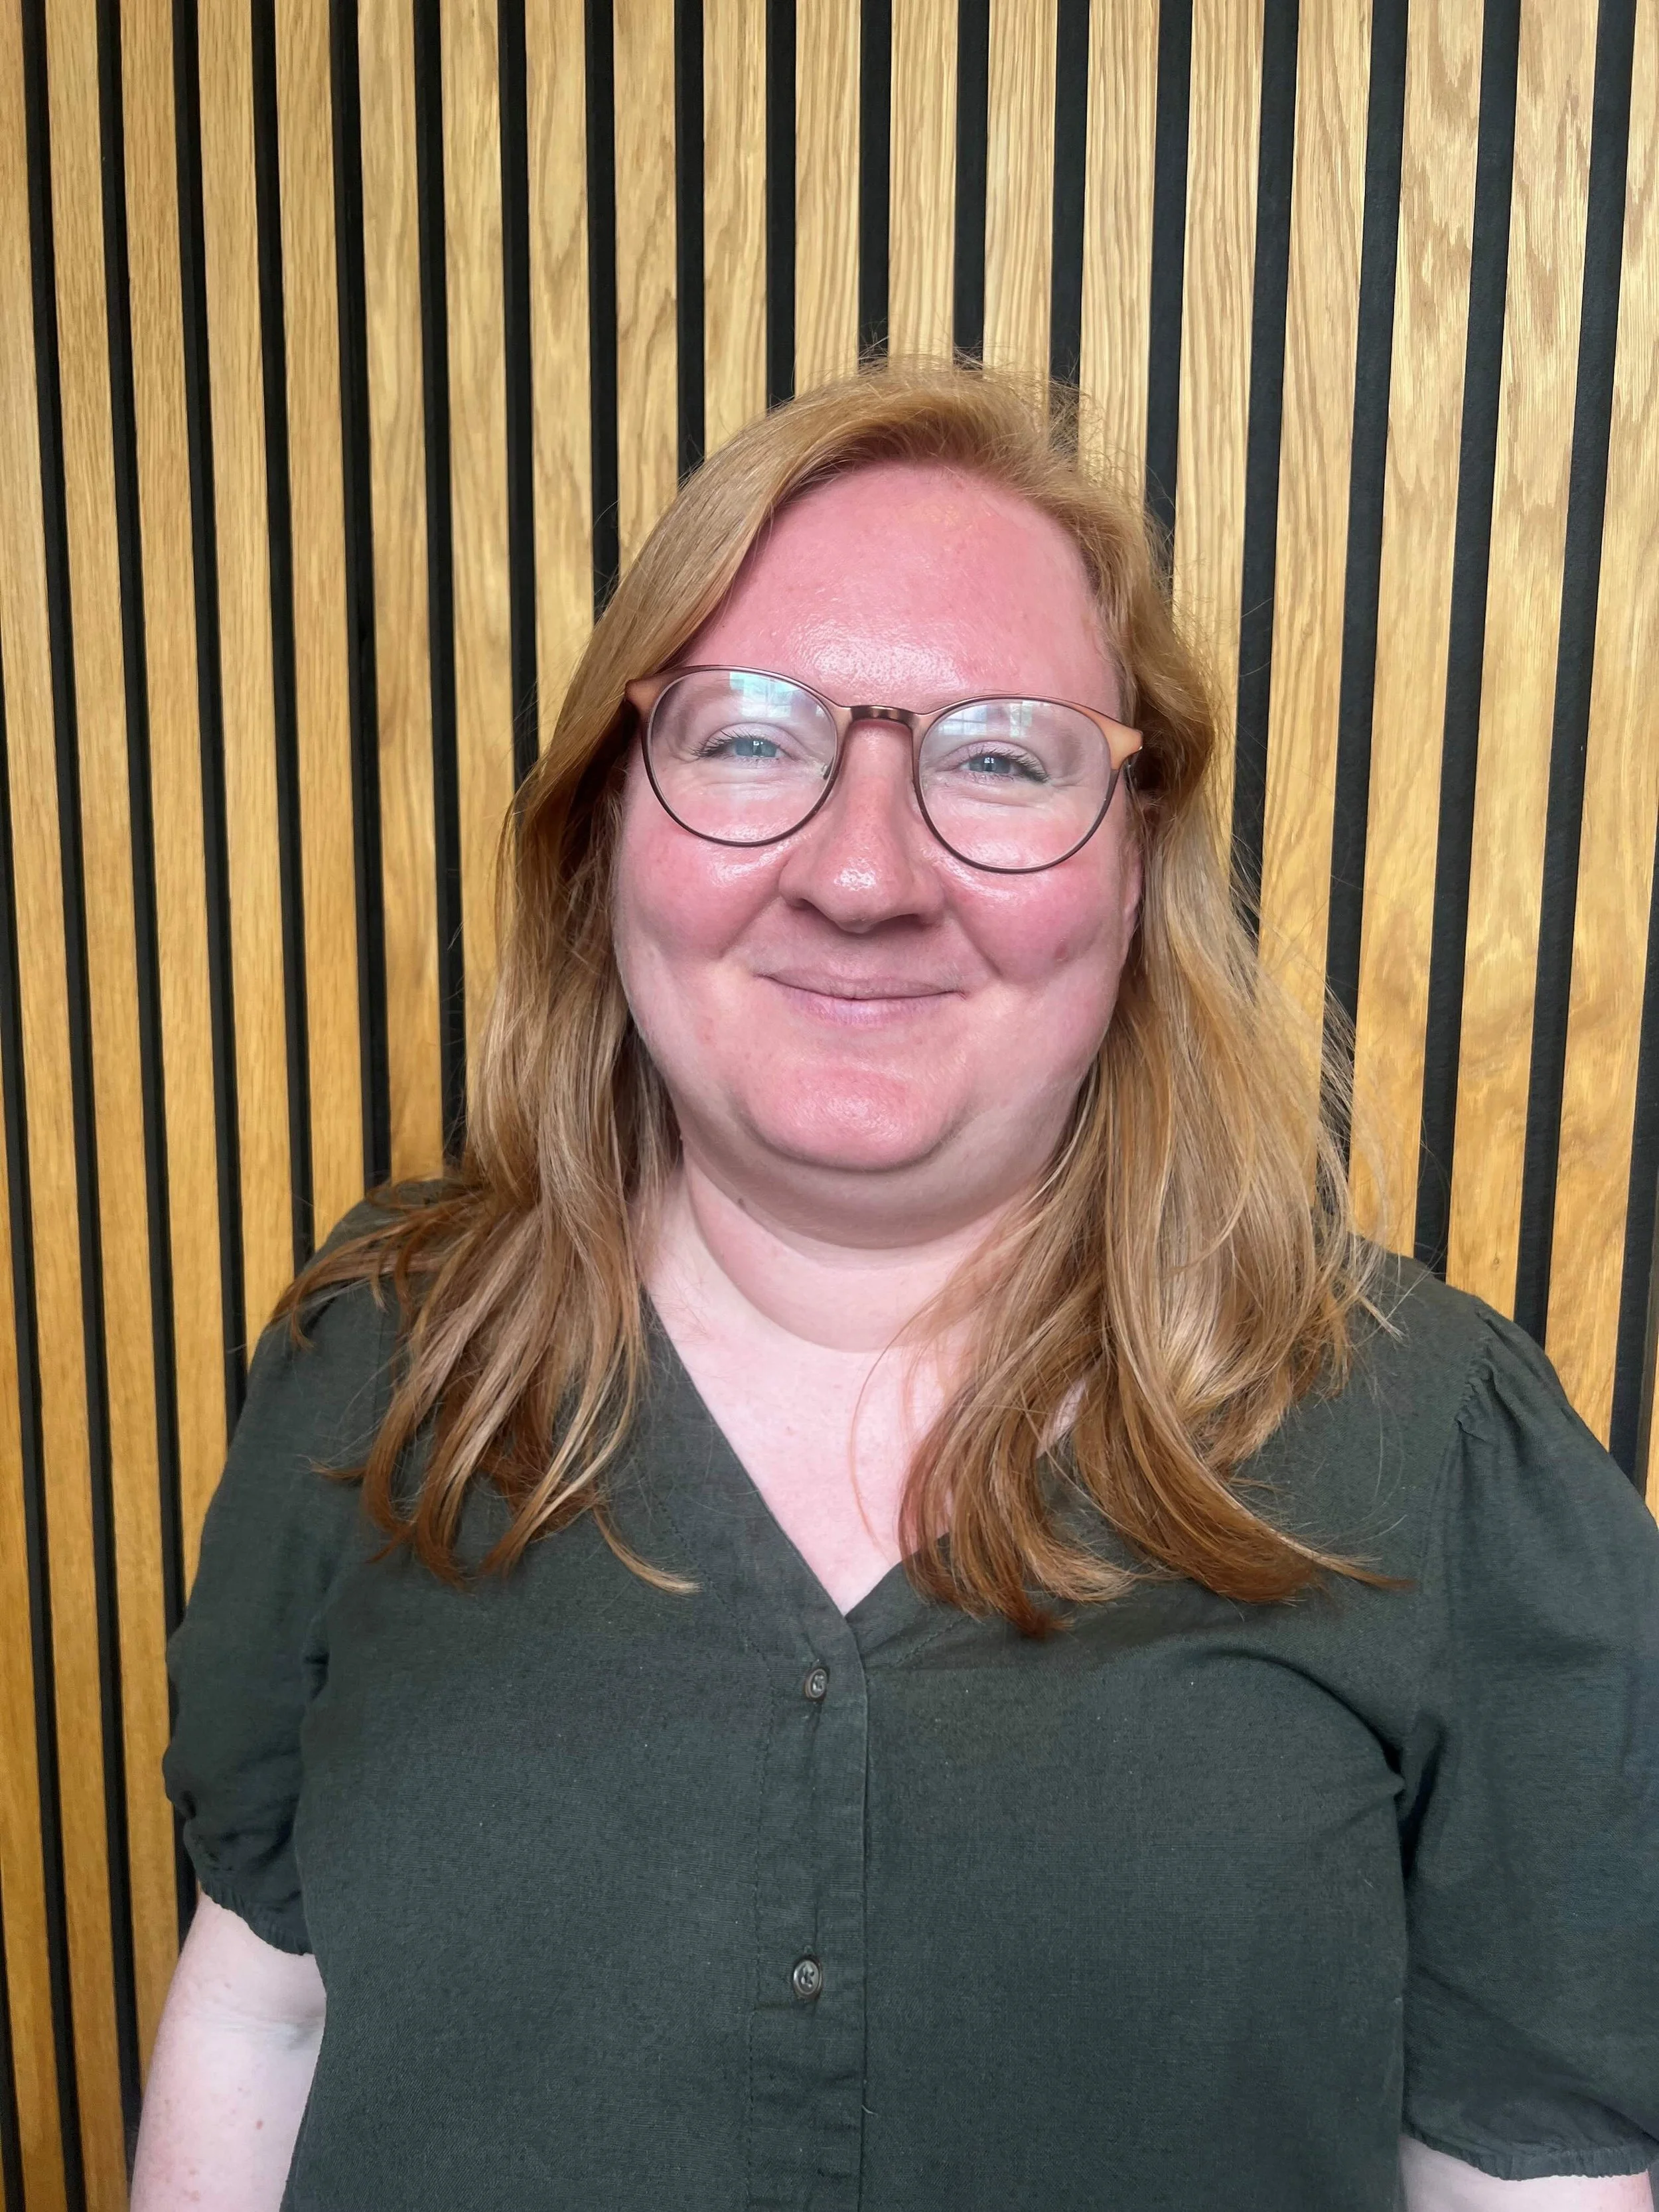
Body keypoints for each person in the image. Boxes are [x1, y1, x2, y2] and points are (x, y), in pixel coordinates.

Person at [131, 361, 1658, 2211]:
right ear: (609, 812)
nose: (861, 873)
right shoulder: (378, 1369)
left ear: (1136, 858)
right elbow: (266, 2010)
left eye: (998, 756)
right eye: (749, 737)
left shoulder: (1431, 1452)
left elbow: (1524, 2172)